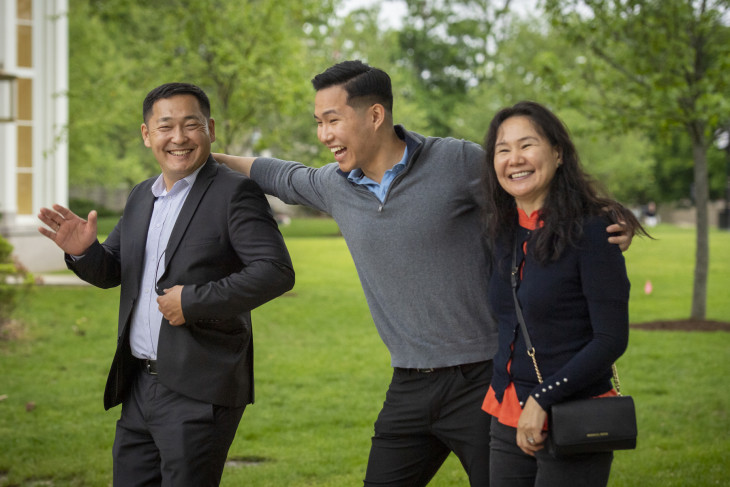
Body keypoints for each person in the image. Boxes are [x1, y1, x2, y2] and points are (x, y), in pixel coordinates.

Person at [213, 61, 632, 486]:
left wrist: (604, 221)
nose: (324, 135)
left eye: (332, 120)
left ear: (375, 115)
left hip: (483, 377)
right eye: (319, 123)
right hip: (409, 384)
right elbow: (277, 173)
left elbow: (528, 183)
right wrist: (202, 156)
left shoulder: (457, 160)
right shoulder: (333, 185)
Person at [37, 82, 295, 486]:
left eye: (191, 125)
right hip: (138, 383)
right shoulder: (143, 196)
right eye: (165, 126)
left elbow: (275, 270)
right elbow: (114, 271)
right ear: (147, 135)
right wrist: (84, 253)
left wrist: (192, 302)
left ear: (209, 129)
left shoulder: (234, 192)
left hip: (200, 387)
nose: (178, 138)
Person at [480, 101, 648, 486]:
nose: (514, 158)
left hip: (573, 414)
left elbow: (610, 339)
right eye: (503, 149)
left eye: (527, 145)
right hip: (507, 414)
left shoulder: (593, 230)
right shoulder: (502, 229)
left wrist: (543, 398)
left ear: (557, 153)